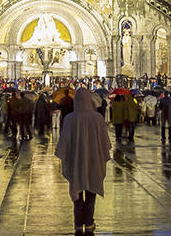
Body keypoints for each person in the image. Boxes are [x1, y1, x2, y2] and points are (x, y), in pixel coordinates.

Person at [55, 88, 112, 236]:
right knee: (91, 190)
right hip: (93, 160)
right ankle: (89, 220)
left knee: (78, 192)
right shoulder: (98, 118)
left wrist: (65, 156)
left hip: (76, 161)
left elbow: (64, 141)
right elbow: (105, 141)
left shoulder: (70, 119)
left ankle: (78, 223)